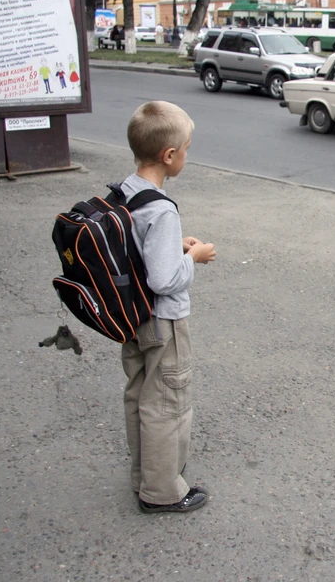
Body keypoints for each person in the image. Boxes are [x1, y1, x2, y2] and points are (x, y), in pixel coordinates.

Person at [120, 101, 217, 514]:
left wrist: (172, 248)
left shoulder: (126, 191)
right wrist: (192, 258)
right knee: (167, 404)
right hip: (164, 321)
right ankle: (162, 492)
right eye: (187, 149)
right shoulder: (161, 208)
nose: (187, 156)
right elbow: (164, 280)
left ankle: (145, 474)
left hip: (134, 317)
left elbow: (137, 251)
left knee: (141, 395)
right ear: (169, 155)